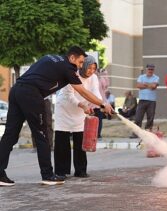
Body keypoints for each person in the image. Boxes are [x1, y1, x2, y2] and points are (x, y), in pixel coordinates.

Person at [0, 46, 113, 187]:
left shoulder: (50, 57)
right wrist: (103, 104)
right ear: (72, 58)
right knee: (42, 135)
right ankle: (47, 175)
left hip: (16, 90)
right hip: (32, 95)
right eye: (79, 62)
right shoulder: (68, 68)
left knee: (10, 134)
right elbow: (82, 91)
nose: (80, 66)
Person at [54, 55, 102, 179]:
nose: (91, 71)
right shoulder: (72, 74)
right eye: (89, 68)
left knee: (80, 139)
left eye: (94, 68)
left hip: (81, 111)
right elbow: (69, 95)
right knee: (62, 140)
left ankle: (80, 170)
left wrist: (100, 104)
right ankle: (61, 171)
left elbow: (95, 92)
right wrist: (82, 105)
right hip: (64, 108)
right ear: (83, 66)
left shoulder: (94, 78)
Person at [129, 64, 159, 138]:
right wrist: (150, 85)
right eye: (149, 69)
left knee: (150, 118)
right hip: (142, 100)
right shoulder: (141, 77)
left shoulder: (156, 77)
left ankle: (147, 133)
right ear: (146, 69)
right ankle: (136, 133)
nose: (150, 71)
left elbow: (154, 87)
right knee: (138, 118)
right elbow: (138, 86)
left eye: (152, 69)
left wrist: (145, 84)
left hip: (152, 101)